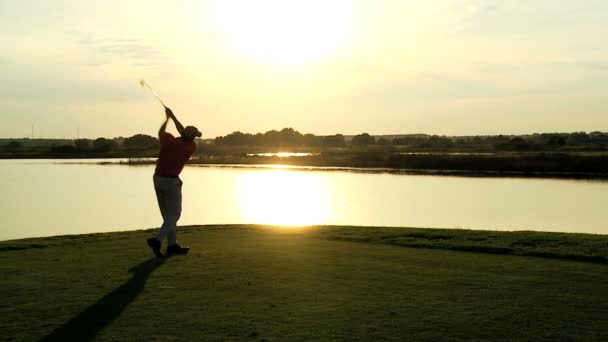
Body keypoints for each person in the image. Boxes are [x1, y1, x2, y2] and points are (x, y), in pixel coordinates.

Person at [147, 107, 202, 257]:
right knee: (175, 214)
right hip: (171, 183)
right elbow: (183, 131)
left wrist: (168, 118)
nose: (196, 137)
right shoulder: (191, 146)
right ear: (192, 137)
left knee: (168, 216)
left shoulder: (169, 140)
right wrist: (173, 117)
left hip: (158, 179)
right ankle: (158, 240)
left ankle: (172, 245)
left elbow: (162, 132)